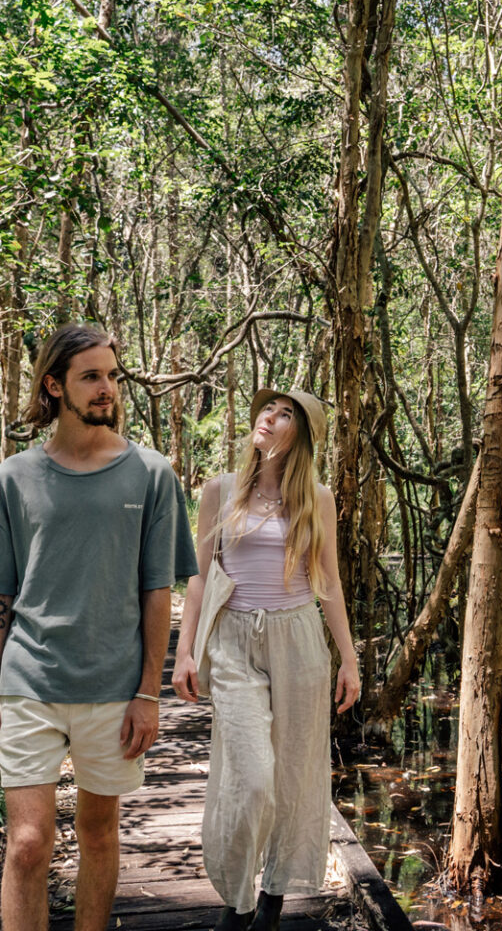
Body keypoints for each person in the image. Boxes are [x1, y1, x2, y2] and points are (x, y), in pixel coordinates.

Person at [0, 323, 199, 931]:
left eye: (112, 376)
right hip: (29, 681)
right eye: (90, 377)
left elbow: (158, 593)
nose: (107, 390)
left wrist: (149, 692)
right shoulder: (11, 479)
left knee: (99, 835)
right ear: (54, 385)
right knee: (27, 844)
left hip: (113, 685)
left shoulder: (152, 474)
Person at [171, 388, 361, 931]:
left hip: (299, 639)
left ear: (299, 435)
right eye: (267, 410)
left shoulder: (316, 499)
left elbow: (327, 583)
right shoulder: (220, 491)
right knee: (251, 777)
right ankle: (238, 900)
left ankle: (274, 895)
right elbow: (201, 575)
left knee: (296, 772)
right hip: (232, 641)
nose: (269, 419)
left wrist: (348, 659)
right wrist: (186, 651)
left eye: (284, 415)